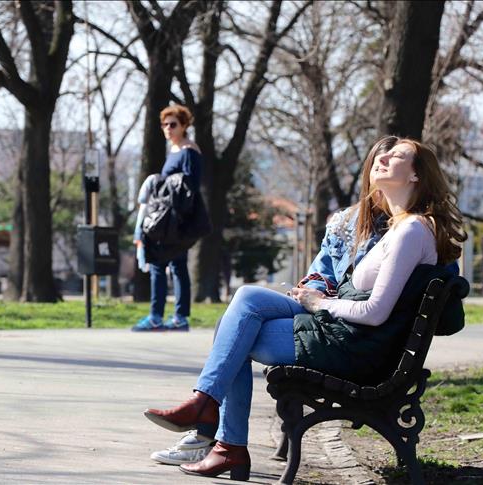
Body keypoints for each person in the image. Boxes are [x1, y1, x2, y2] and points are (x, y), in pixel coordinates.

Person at [143, 138, 466, 481]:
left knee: (235, 330)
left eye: (397, 155)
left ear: (417, 176)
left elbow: (375, 312)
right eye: (381, 154)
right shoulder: (403, 226)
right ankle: (210, 415)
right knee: (244, 304)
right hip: (348, 337)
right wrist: (314, 293)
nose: (382, 157)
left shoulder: (412, 230)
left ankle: (221, 433)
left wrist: (320, 303)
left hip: (353, 347)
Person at [132, 105, 203, 332]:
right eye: (164, 124)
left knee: (166, 264)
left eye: (173, 124)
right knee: (171, 264)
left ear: (184, 126)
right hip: (167, 218)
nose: (168, 128)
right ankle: (172, 317)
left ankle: (164, 317)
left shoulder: (189, 151)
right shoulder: (174, 151)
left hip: (176, 220)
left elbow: (189, 187)